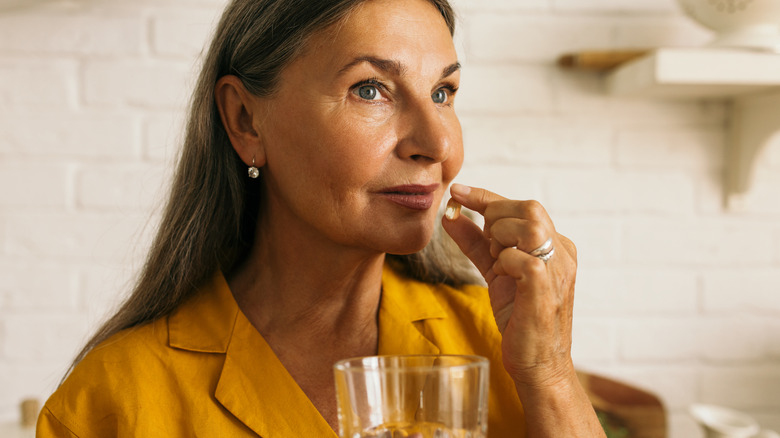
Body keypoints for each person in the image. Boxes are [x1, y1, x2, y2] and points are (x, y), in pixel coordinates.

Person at [37, 0, 606, 436]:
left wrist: (552, 374)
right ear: (245, 120)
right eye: (370, 89)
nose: (437, 144)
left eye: (442, 91)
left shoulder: (498, 344)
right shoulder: (111, 401)